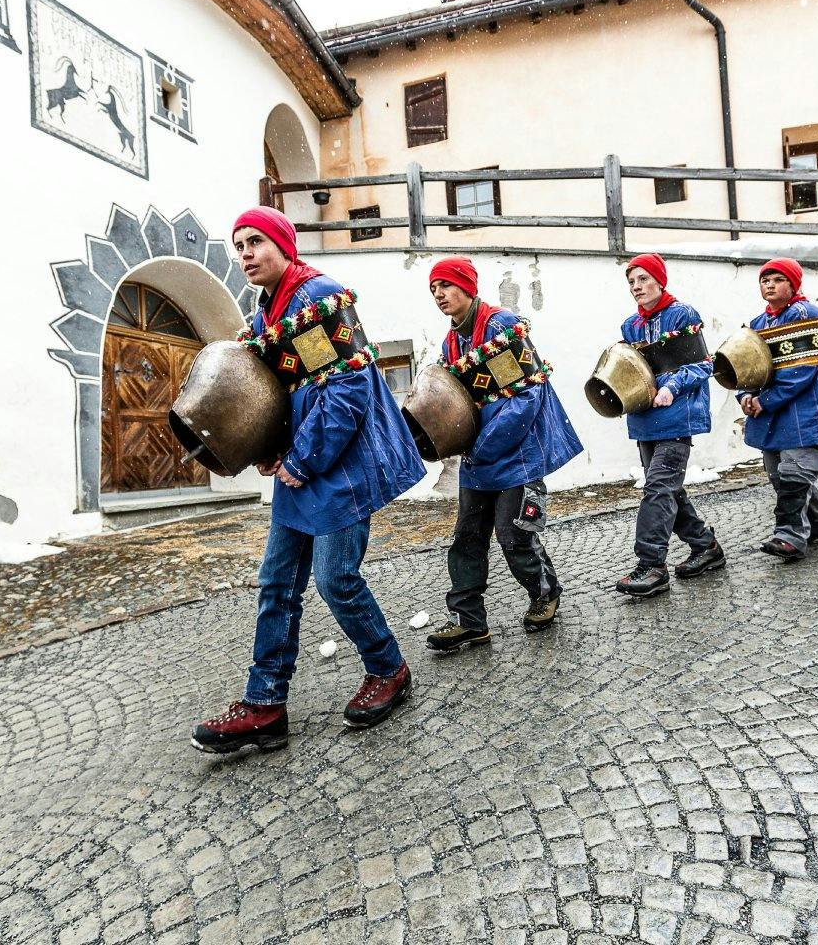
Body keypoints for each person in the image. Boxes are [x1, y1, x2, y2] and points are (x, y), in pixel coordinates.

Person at [191, 207, 425, 754]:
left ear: (284, 245)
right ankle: (265, 704)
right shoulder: (266, 311)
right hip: (301, 466)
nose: (245, 254)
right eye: (239, 245)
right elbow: (271, 393)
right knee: (277, 584)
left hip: (340, 466)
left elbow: (346, 391)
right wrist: (269, 449)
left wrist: (300, 459)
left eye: (256, 242)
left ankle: (389, 668)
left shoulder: (315, 300)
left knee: (335, 580)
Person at [423, 257, 584, 651]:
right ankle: (469, 621)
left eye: (445, 285)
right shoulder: (452, 340)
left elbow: (527, 395)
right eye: (433, 290)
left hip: (514, 457)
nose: (439, 295)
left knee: (514, 536)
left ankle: (545, 592)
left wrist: (484, 444)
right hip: (476, 462)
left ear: (467, 287)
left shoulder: (499, 327)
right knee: (467, 538)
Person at [613, 253, 724, 597]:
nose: (637, 287)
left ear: (660, 280)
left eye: (644, 279)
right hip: (645, 418)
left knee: (658, 488)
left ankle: (651, 565)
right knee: (668, 490)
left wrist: (670, 387)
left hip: (678, 416)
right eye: (632, 282)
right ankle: (705, 547)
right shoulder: (630, 326)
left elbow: (703, 365)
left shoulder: (682, 314)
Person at [737, 258, 818, 561]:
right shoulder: (757, 324)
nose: (769, 284)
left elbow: (802, 369)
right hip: (771, 413)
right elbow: (747, 366)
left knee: (795, 474)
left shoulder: (807, 314)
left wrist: (763, 400)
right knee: (779, 477)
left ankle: (790, 537)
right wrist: (745, 394)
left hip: (804, 408)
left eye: (777, 279)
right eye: (764, 280)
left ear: (793, 284)